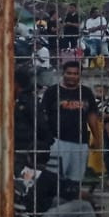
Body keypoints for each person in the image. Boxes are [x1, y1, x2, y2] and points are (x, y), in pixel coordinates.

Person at [40, 60, 98, 200]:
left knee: (75, 180)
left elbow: (92, 115)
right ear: (63, 73)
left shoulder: (86, 92)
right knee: (55, 178)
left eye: (76, 74)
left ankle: (71, 210)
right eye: (69, 73)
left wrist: (97, 137)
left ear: (80, 75)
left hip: (80, 142)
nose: (72, 76)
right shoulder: (52, 92)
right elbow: (43, 116)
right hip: (57, 141)